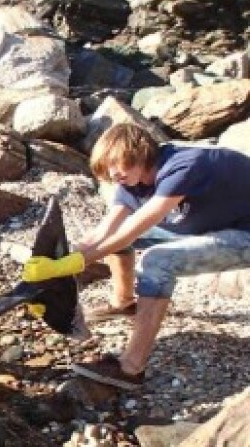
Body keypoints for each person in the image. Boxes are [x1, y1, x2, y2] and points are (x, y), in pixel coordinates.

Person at [22, 123, 250, 389]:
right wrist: (57, 266)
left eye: (118, 165)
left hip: (243, 233)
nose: (113, 174)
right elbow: (106, 230)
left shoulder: (184, 166)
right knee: (112, 239)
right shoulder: (131, 180)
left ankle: (131, 368)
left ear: (140, 154)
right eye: (108, 169)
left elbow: (134, 229)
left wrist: (75, 263)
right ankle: (124, 303)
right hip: (209, 225)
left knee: (157, 262)